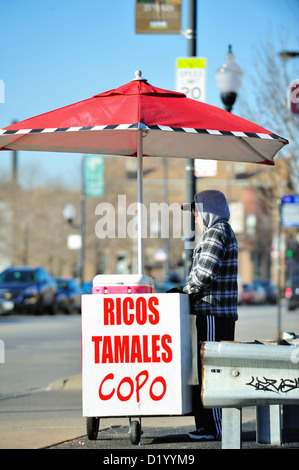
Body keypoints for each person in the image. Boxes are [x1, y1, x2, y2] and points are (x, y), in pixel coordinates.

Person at [181, 190, 238, 441]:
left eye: (196, 210)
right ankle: (209, 426)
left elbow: (204, 274)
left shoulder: (217, 232)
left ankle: (215, 429)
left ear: (207, 210)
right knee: (209, 370)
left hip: (214, 313)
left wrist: (183, 290)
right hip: (215, 314)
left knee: (211, 371)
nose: (194, 216)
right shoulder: (219, 231)